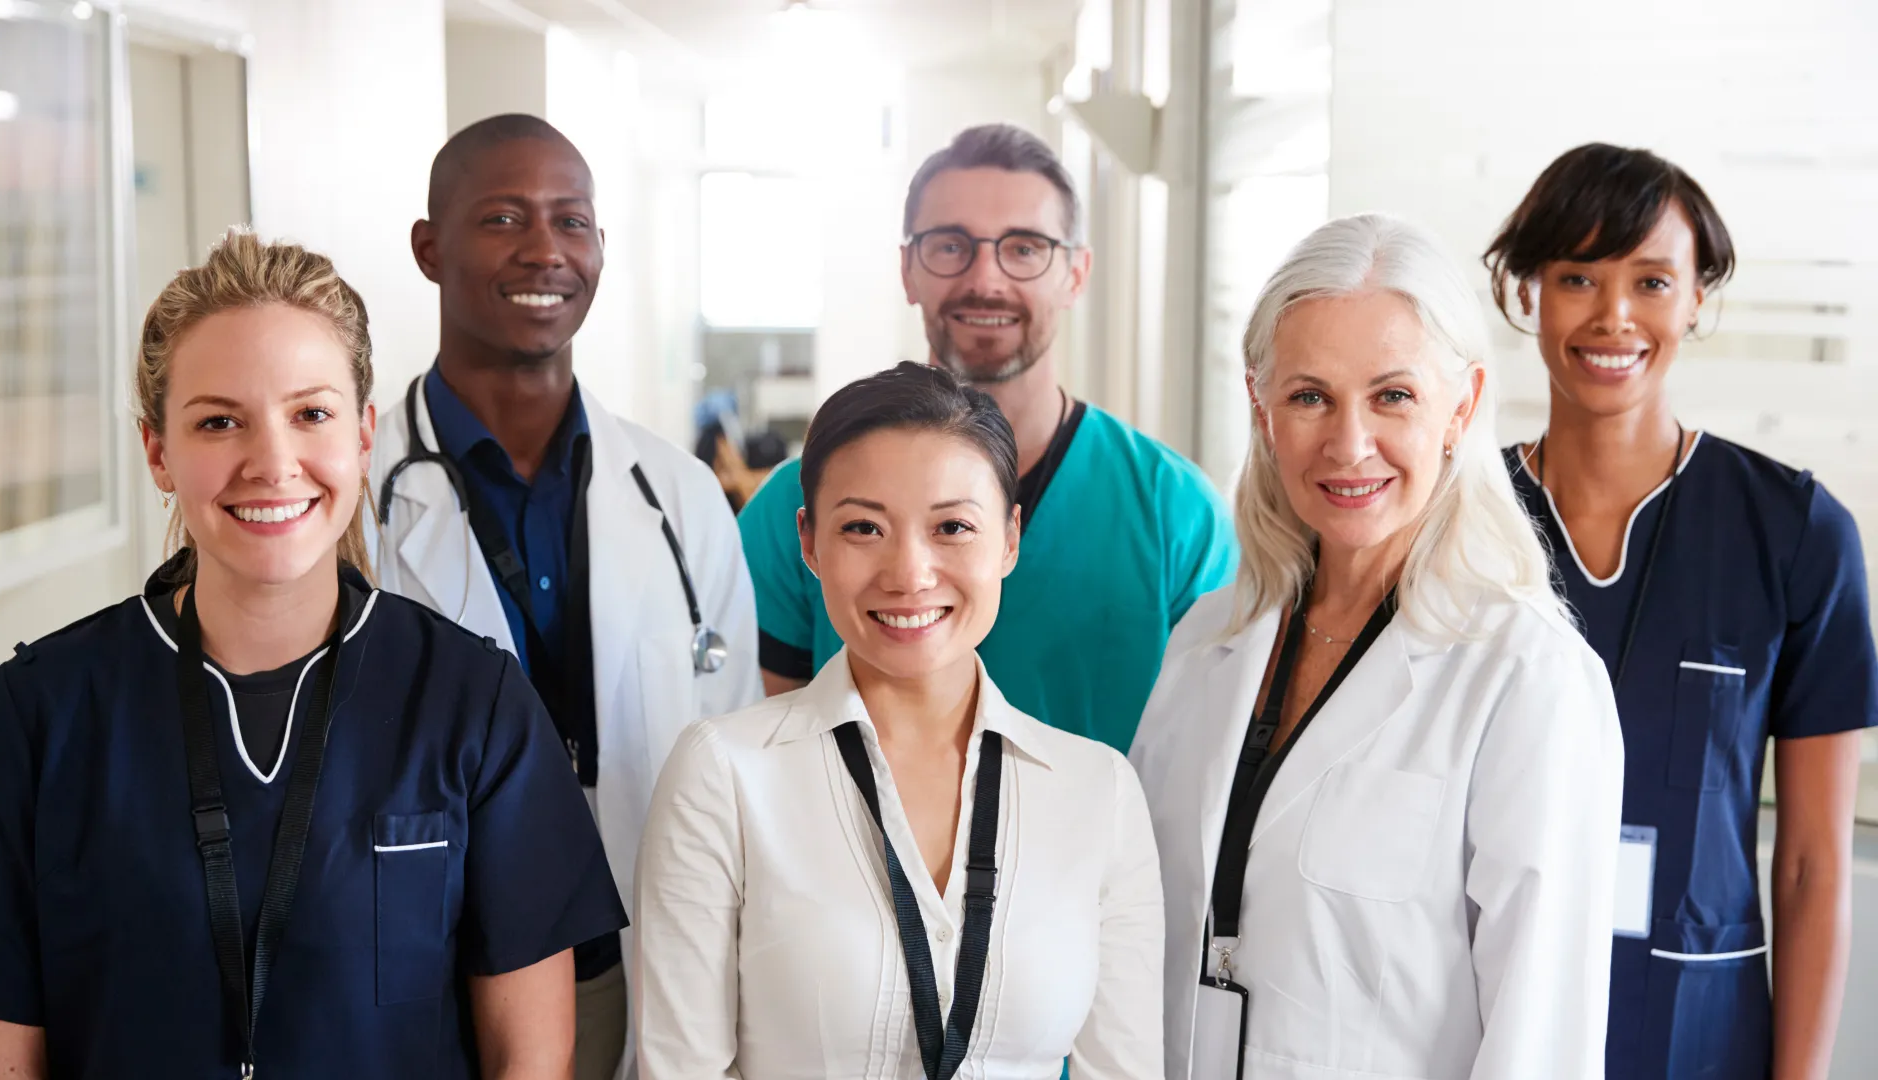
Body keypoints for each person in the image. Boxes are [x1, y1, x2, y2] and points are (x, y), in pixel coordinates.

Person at [0, 232, 623, 1078]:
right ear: (158, 453)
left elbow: (527, 1061)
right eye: (218, 422)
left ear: (363, 435)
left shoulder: (476, 707)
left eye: (311, 414)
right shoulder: (35, 721)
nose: (272, 464)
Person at [1131, 214, 1624, 1079]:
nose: (1348, 444)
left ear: (1459, 407)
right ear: (1263, 408)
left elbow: (1541, 1036)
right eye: (1309, 395)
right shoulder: (1209, 639)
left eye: (1392, 395)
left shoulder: (1526, 678)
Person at [368, 114, 763, 1078]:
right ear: (430, 247)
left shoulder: (679, 494)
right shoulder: (354, 498)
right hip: (431, 961)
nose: (545, 249)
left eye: (571, 221)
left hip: (639, 953)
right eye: (502, 218)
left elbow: (735, 749)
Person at [634, 362, 1164, 1079]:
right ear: (809, 542)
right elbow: (682, 1068)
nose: (909, 573)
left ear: (1008, 539)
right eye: (863, 527)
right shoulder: (724, 775)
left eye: (952, 526)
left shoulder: (1099, 792)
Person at [1487, 144, 1878, 1080]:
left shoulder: (1795, 531)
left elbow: (1813, 864)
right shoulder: (1465, 525)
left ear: (1698, 298)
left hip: (1699, 1028)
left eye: (1652, 281)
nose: (1613, 316)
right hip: (1491, 1011)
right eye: (1577, 275)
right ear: (1527, 292)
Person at [738, 123, 1237, 753]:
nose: (986, 279)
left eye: (1024, 248)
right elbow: (764, 759)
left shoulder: (1176, 514)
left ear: (1076, 274)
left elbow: (1209, 767)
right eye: (951, 246)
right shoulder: (801, 505)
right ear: (908, 269)